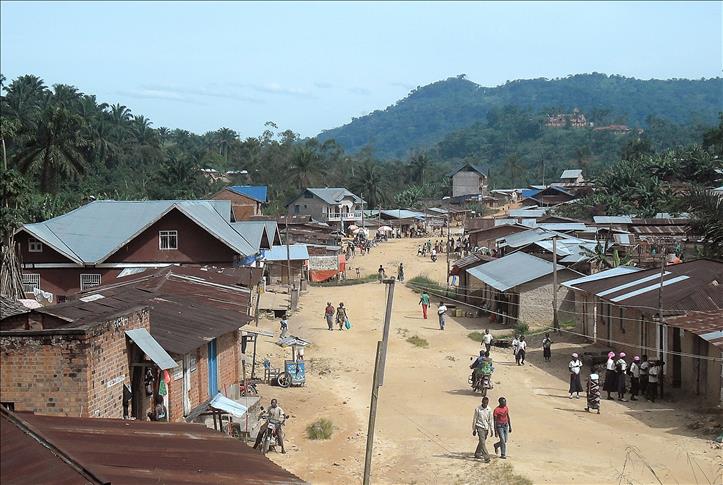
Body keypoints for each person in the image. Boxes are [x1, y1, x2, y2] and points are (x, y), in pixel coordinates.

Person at [472, 397, 493, 462]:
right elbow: (475, 419)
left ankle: (477, 453)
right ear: (482, 402)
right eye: (484, 403)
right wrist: (474, 429)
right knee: (483, 442)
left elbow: (490, 420)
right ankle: (486, 457)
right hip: (479, 426)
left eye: (486, 403)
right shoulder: (478, 409)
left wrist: (492, 430)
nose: (485, 404)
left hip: (486, 428)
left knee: (482, 441)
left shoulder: (489, 409)